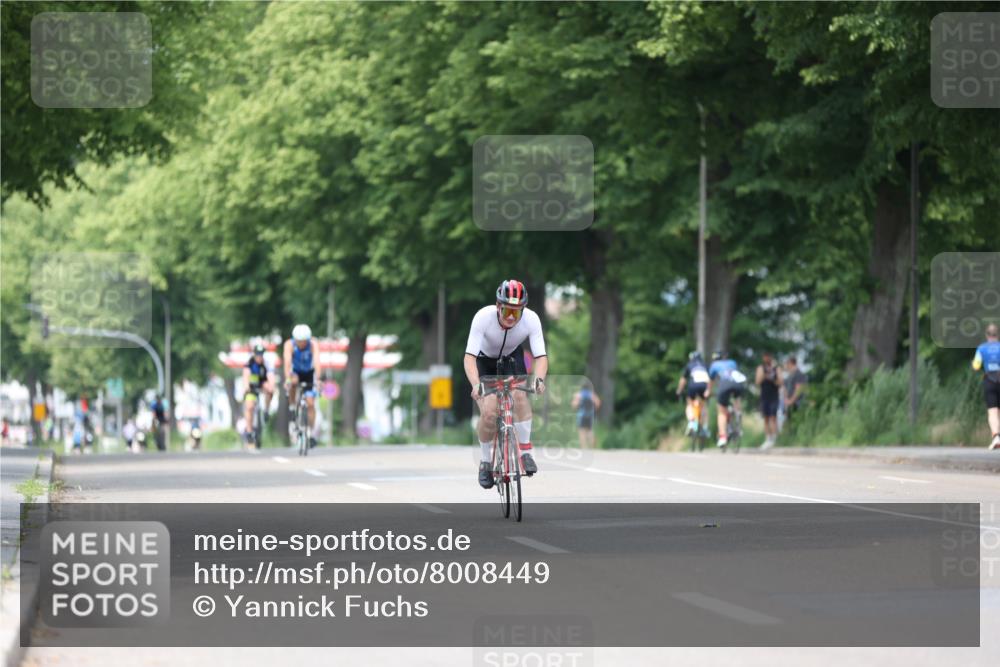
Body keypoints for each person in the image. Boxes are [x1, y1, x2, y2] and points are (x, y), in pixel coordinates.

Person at [464, 279, 547, 489]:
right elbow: (469, 357)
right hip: (484, 361)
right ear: (498, 306)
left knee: (520, 396)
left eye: (516, 313)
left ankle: (525, 452)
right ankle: (485, 462)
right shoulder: (483, 317)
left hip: (511, 358)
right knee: (490, 411)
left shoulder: (531, 319)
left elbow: (541, 357)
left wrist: (538, 380)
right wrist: (476, 385)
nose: (511, 317)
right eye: (507, 311)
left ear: (523, 311)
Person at [283, 324, 320, 449]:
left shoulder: (313, 344)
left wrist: (318, 379)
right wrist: (287, 379)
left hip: (308, 373)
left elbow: (317, 361)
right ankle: (293, 407)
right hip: (295, 372)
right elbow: (287, 362)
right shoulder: (290, 345)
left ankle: (311, 432)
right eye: (299, 341)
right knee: (293, 382)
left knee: (310, 403)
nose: (302, 344)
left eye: (304, 341)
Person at [709, 350, 747, 449]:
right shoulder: (732, 362)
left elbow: (711, 381)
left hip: (724, 385)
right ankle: (738, 413)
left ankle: (723, 437)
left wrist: (708, 391)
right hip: (737, 384)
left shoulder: (714, 365)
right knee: (736, 399)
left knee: (721, 412)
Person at [972, 322, 1000, 450]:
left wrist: (974, 364)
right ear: (997, 335)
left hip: (989, 380)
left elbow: (976, 366)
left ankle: (995, 436)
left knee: (993, 411)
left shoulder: (982, 348)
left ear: (987, 335)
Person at [242, 343, 275, 446]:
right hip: (251, 387)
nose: (259, 357)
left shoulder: (266, 364)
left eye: (261, 354)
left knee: (270, 390)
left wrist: (271, 387)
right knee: (250, 407)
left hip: (261, 384)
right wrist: (247, 387)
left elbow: (270, 376)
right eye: (257, 354)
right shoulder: (250, 363)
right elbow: (246, 375)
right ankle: (249, 431)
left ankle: (266, 410)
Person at [676, 351, 710, 436]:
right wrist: (709, 390)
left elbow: (683, 380)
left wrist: (679, 391)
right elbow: (710, 379)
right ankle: (704, 428)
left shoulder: (689, 365)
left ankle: (691, 422)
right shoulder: (705, 365)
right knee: (704, 406)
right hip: (704, 386)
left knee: (690, 404)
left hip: (693, 386)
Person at [755, 352, 783, 449]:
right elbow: (758, 381)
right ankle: (768, 439)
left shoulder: (777, 368)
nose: (767, 358)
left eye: (769, 356)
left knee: (773, 417)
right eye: (765, 356)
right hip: (764, 396)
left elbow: (780, 382)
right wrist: (765, 374)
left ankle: (774, 439)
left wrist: (772, 377)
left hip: (774, 396)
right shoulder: (761, 368)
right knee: (766, 418)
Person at [572, 380, 601, 449]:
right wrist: (594, 410)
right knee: (590, 430)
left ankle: (584, 447)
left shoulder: (578, 394)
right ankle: (592, 445)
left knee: (582, 431)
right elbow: (598, 403)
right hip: (590, 415)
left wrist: (576, 407)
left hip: (582, 415)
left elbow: (574, 405)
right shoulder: (592, 394)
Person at [783, 356, 807, 423]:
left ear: (790, 363)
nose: (785, 366)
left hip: (797, 405)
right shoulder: (788, 376)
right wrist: (786, 401)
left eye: (785, 364)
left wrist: (790, 401)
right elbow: (785, 390)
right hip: (789, 405)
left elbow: (798, 390)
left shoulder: (799, 374)